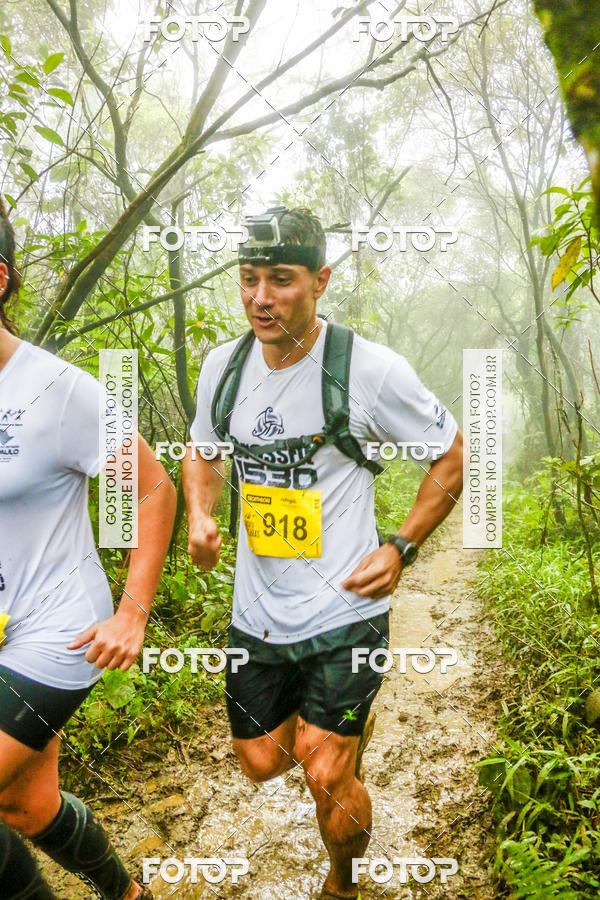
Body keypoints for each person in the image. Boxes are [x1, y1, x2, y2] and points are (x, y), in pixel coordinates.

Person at [183, 206, 463, 900]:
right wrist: (200, 512)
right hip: (258, 612)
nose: (260, 298)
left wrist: (401, 546)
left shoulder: (367, 370)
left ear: (321, 281)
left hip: (346, 608)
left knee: (323, 771)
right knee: (259, 761)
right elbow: (203, 451)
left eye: (280, 280)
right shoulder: (224, 368)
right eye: (249, 280)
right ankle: (341, 734)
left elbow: (452, 456)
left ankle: (341, 879)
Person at [0, 197, 177, 899]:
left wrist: (133, 612)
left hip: (58, 630)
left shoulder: (56, 389)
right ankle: (128, 894)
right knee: (25, 805)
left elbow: (155, 488)